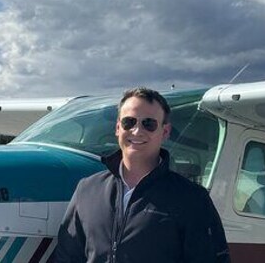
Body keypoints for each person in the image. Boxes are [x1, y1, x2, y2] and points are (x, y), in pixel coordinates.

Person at [53, 87, 231, 263]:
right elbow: (66, 257)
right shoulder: (87, 189)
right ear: (117, 128)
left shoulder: (192, 198)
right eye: (129, 122)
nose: (137, 131)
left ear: (165, 132)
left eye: (149, 124)